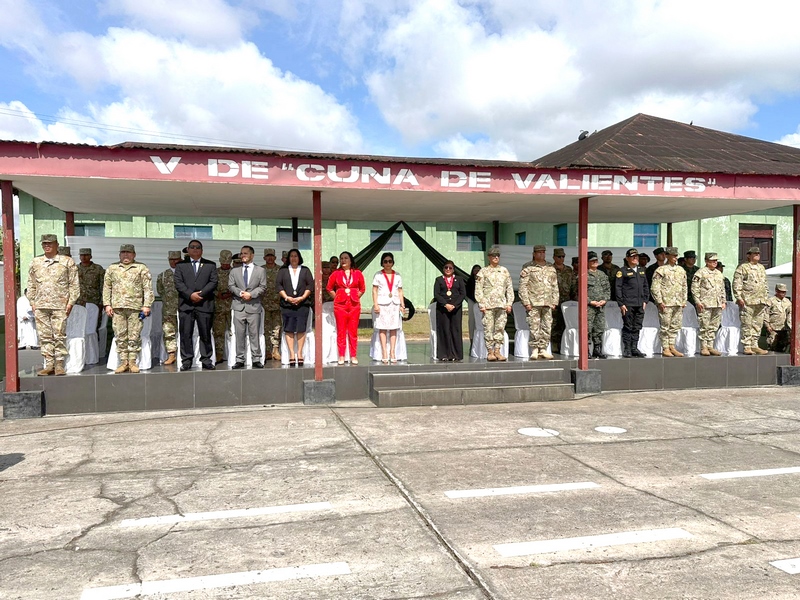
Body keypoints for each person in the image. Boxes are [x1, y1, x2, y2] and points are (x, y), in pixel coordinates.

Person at [27, 234, 79, 376]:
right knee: (44, 336)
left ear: (57, 245)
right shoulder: (36, 262)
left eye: (50, 243)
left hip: (60, 305)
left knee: (59, 335)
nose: (47, 246)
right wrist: (32, 302)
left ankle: (59, 364)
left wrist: (71, 302)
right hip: (41, 306)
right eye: (44, 243)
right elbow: (31, 284)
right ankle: (49, 364)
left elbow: (74, 284)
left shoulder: (67, 261)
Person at [102, 244, 154, 373]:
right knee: (120, 335)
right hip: (118, 307)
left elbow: (147, 288)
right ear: (119, 254)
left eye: (129, 252)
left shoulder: (141, 268)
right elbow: (107, 287)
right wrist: (107, 304)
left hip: (135, 307)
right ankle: (123, 361)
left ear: (134, 254)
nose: (126, 255)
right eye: (123, 252)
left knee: (134, 335)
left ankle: (132, 362)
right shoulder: (112, 268)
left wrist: (147, 305)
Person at [174, 239, 218, 370]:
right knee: (185, 334)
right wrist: (190, 295)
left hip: (204, 304)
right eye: (192, 247)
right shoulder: (180, 265)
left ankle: (206, 359)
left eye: (198, 247)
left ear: (202, 251)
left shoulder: (210, 265)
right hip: (186, 304)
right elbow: (178, 283)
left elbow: (213, 282)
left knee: (205, 333)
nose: (195, 249)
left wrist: (201, 294)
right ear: (188, 250)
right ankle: (187, 360)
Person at [229, 245, 266, 369]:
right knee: (239, 334)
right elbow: (231, 286)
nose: (243, 255)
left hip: (253, 306)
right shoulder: (234, 271)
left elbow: (263, 286)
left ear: (252, 255)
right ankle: (239, 359)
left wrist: (251, 294)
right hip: (239, 306)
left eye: (245, 253)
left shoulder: (260, 270)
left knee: (254, 334)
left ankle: (256, 359)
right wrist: (240, 293)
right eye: (241, 253)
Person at [519, 244, 559, 360]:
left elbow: (554, 285)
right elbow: (523, 286)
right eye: (539, 252)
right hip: (534, 302)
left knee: (547, 326)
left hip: (547, 302)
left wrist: (555, 301)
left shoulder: (550, 267)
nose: (542, 254)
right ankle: (535, 349)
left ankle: (543, 349)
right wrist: (526, 302)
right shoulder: (528, 267)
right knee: (534, 326)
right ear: (534, 254)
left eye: (543, 252)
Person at [474, 245, 514, 361]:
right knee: (488, 328)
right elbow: (478, 289)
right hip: (488, 306)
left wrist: (509, 303)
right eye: (493, 256)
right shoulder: (483, 271)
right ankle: (490, 351)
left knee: (500, 328)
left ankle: (497, 350)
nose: (496, 258)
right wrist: (481, 304)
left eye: (498, 256)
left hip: (501, 305)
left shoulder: (504, 271)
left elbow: (509, 288)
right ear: (489, 257)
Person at [276, 248, 314, 366]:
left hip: (302, 304)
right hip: (287, 304)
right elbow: (278, 285)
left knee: (301, 329)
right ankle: (292, 354)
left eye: (295, 256)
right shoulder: (283, 270)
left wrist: (302, 297)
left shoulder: (305, 270)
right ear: (288, 258)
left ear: (299, 258)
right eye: (291, 256)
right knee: (289, 329)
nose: (293, 258)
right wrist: (287, 297)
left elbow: (310, 285)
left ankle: (300, 353)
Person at [327, 251, 366, 364]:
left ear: (350, 260)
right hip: (340, 306)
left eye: (346, 258)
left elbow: (362, 288)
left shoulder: (357, 273)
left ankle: (353, 355)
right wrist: (337, 297)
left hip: (354, 305)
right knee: (341, 331)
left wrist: (355, 296)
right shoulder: (336, 273)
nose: (343, 260)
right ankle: (341, 356)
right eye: (342, 258)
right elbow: (329, 288)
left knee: (353, 331)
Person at [650, 247, 687, 357]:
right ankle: (665, 348)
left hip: (678, 302)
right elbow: (655, 287)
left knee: (675, 326)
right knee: (665, 326)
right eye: (673, 256)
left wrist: (683, 300)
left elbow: (684, 286)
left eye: (676, 256)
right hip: (666, 303)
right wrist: (659, 301)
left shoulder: (681, 270)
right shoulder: (661, 270)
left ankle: (672, 346)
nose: (675, 258)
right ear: (667, 256)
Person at [733, 246, 769, 355]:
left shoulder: (761, 267)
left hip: (760, 301)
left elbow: (764, 284)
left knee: (757, 324)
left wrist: (766, 297)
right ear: (749, 255)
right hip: (748, 301)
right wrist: (739, 298)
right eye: (754, 253)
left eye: (758, 253)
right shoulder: (743, 267)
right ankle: (747, 346)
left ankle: (754, 345)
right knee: (747, 324)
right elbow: (737, 283)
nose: (757, 255)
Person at [615, 248, 649, 358]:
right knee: (628, 326)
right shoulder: (622, 271)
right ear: (627, 258)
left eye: (636, 256)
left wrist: (645, 300)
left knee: (637, 326)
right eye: (633, 257)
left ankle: (634, 348)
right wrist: (621, 303)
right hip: (628, 303)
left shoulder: (641, 270)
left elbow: (645, 286)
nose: (635, 258)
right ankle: (627, 349)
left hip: (639, 303)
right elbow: (618, 288)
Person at [372, 252, 405, 363]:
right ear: (382, 263)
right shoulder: (378, 275)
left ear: (393, 262)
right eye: (385, 261)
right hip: (382, 304)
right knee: (382, 328)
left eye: (390, 261)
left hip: (394, 304)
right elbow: (374, 290)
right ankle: (384, 352)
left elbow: (400, 291)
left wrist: (402, 304)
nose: (388, 263)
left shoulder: (397, 275)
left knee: (394, 328)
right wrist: (375, 304)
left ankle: (392, 352)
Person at [692, 252, 726, 356]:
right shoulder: (700, 273)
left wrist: (723, 301)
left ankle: (710, 346)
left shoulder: (718, 273)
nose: (715, 262)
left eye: (716, 260)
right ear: (706, 261)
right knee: (704, 326)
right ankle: (704, 347)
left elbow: (722, 289)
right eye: (712, 260)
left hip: (717, 304)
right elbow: (694, 288)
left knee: (714, 326)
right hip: (705, 304)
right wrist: (697, 301)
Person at [433, 260, 466, 361]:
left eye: (450, 268)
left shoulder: (459, 279)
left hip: (456, 309)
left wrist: (454, 305)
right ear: (443, 269)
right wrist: (445, 304)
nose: (448, 269)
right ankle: (444, 354)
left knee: (455, 330)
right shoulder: (439, 280)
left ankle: (456, 354)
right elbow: (437, 294)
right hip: (443, 309)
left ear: (453, 269)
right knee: (444, 330)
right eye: (446, 267)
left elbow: (462, 293)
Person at [156, 250, 181, 366]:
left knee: (185, 332)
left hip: (183, 308)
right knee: (169, 332)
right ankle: (171, 355)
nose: (174, 262)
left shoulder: (186, 273)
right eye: (171, 259)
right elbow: (160, 291)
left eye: (176, 259)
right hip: (168, 309)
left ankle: (184, 355)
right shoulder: (163, 275)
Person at [551, 247, 575, 354]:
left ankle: (564, 344)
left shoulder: (569, 270)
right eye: (559, 257)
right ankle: (554, 344)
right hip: (554, 301)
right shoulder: (550, 269)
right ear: (554, 257)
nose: (561, 259)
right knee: (554, 324)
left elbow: (573, 285)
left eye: (563, 257)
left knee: (565, 323)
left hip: (566, 301)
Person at [212, 250, 234, 364]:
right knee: (218, 332)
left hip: (232, 306)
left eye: (227, 263)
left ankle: (234, 353)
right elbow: (210, 286)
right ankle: (219, 353)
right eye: (223, 263)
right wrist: (217, 294)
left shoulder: (235, 272)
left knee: (233, 331)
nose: (225, 265)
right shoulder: (214, 272)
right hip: (219, 306)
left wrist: (231, 293)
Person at [587, 251, 610, 359]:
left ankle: (597, 349)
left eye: (596, 260)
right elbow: (578, 293)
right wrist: (589, 301)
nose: (595, 262)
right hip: (589, 307)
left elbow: (607, 289)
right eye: (592, 261)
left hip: (600, 306)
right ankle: (586, 350)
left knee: (599, 328)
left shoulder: (602, 274)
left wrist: (604, 300)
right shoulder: (584, 274)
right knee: (588, 329)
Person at [261, 249, 282, 361]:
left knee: (277, 328)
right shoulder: (260, 270)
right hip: (264, 304)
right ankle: (267, 350)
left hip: (277, 303)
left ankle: (275, 350)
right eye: (267, 256)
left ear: (275, 257)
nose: (270, 258)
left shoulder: (280, 270)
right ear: (264, 258)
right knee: (266, 328)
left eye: (272, 256)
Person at [76, 248, 105, 329]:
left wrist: (101, 303)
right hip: (79, 302)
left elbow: (103, 286)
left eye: (86, 255)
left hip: (94, 302)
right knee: (79, 325)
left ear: (90, 256)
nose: (83, 257)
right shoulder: (75, 269)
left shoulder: (98, 269)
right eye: (81, 255)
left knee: (94, 326)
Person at [765, 283, 792, 352]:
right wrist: (767, 326)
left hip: (784, 329)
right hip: (773, 328)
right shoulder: (771, 301)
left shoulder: (787, 301)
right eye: (781, 291)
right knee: (772, 346)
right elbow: (766, 314)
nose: (783, 294)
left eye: (784, 292)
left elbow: (790, 313)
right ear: (776, 291)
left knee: (783, 347)